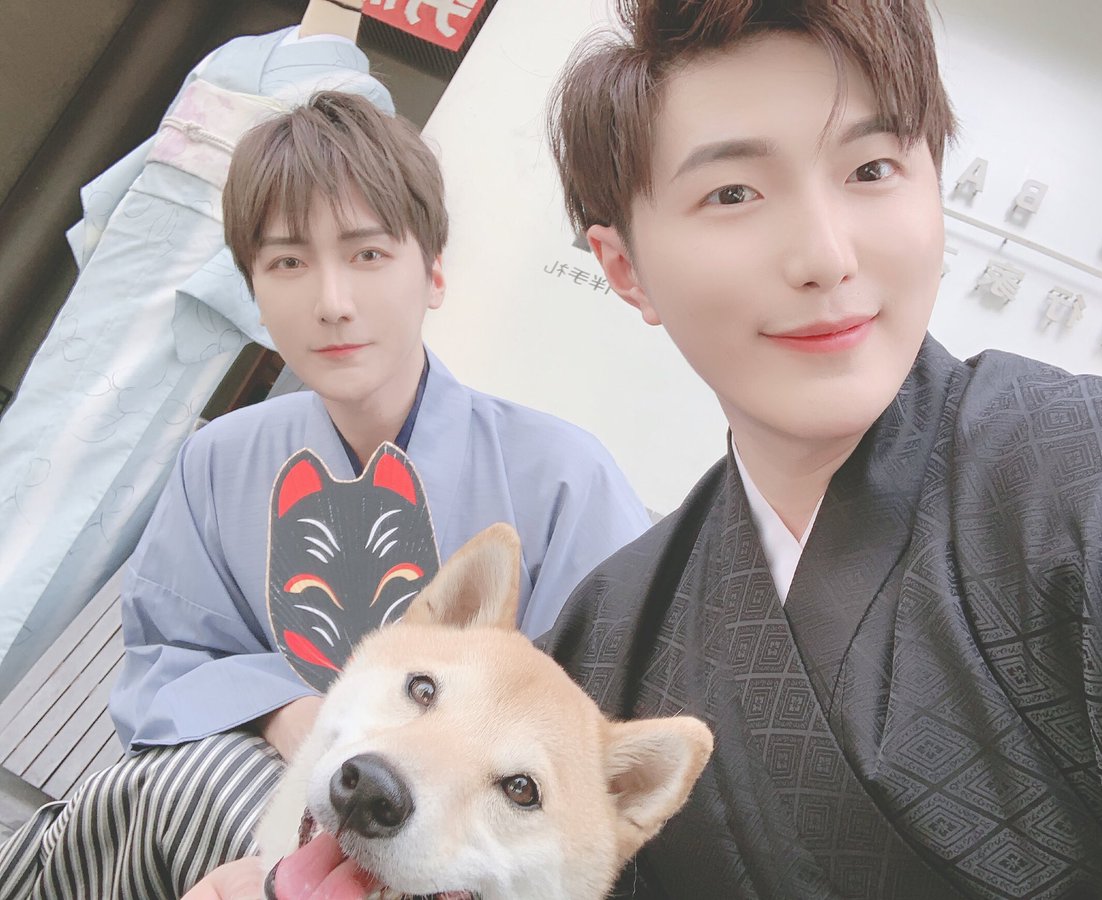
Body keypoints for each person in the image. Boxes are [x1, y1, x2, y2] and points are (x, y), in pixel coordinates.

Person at [541, 1, 1102, 898]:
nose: (826, 255)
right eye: (732, 193)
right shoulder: (604, 637)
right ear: (626, 269)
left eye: (871, 169)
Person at [0, 30, 650, 900]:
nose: (333, 301)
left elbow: (600, 746)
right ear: (253, 290)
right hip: (245, 808)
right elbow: (167, 660)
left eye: (368, 254)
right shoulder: (218, 461)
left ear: (434, 272)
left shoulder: (564, 480)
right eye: (287, 262)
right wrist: (300, 717)